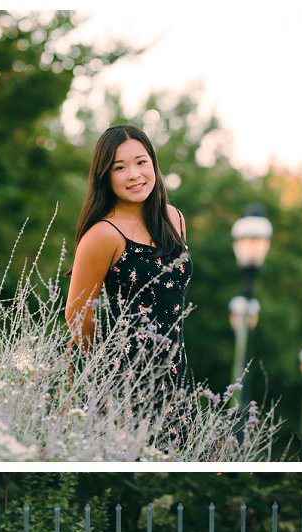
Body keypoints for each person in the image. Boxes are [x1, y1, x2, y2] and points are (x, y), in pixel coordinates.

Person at [66, 125, 194, 398]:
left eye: (141, 162)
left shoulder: (174, 219)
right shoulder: (103, 234)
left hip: (175, 375)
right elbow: (76, 314)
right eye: (119, 168)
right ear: (105, 176)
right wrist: (108, 363)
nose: (134, 174)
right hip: (124, 382)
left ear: (153, 164)